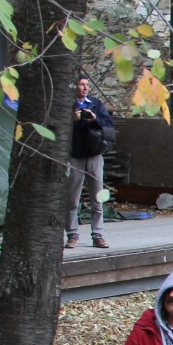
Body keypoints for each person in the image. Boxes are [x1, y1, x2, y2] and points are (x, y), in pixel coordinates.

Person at [65, 75, 115, 250]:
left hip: (94, 155)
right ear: (75, 87)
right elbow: (59, 129)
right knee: (72, 199)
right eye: (81, 84)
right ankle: (72, 235)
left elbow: (109, 125)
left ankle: (98, 235)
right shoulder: (68, 105)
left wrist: (94, 119)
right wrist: (73, 120)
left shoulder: (95, 103)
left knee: (97, 198)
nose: (85, 88)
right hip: (76, 156)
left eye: (87, 85)